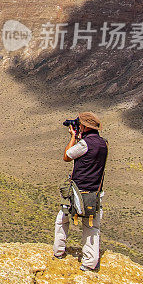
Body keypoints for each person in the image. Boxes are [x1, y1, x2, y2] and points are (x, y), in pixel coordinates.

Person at [53, 111, 108, 271]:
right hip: (95, 192)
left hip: (77, 191)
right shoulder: (103, 143)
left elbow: (67, 156)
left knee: (62, 220)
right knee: (91, 227)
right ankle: (90, 263)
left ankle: (58, 252)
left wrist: (72, 137)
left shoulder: (85, 144)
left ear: (83, 126)